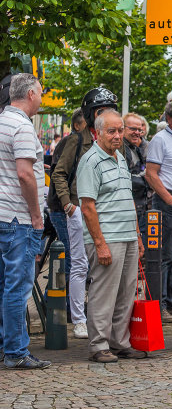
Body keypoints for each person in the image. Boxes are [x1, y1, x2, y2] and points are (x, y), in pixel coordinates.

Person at [76, 110, 146, 363]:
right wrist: (99, 243)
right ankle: (99, 344)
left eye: (120, 130)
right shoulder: (91, 160)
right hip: (107, 237)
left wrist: (137, 236)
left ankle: (120, 342)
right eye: (112, 131)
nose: (117, 136)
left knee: (125, 293)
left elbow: (128, 200)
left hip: (126, 234)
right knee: (104, 292)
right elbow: (87, 206)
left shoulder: (120, 157)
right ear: (98, 133)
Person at [52, 87, 117, 340]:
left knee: (106, 265)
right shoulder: (76, 140)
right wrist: (69, 205)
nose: (108, 115)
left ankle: (102, 319)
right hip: (80, 209)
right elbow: (58, 173)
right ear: (92, 114)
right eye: (103, 110)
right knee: (80, 265)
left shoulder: (113, 139)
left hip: (107, 210)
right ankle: (79, 320)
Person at [0, 74, 50, 369]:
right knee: (17, 287)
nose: (41, 99)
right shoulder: (22, 127)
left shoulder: (2, 121)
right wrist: (35, 214)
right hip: (18, 218)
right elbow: (23, 174)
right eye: (40, 93)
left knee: (4, 285)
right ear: (30, 94)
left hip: (2, 214)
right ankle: (16, 352)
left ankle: (7, 344)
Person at [145, 101, 172, 324]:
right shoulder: (160, 140)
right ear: (169, 118)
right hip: (168, 201)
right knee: (164, 255)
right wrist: (169, 200)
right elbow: (151, 174)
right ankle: (160, 303)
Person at [47, 108, 85, 286]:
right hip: (63, 209)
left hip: (67, 208)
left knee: (72, 256)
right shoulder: (70, 142)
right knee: (71, 256)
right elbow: (59, 175)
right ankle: (60, 306)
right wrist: (68, 205)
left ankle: (56, 303)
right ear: (77, 125)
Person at [122, 112, 149, 240]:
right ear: (123, 128)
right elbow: (125, 180)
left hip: (140, 208)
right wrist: (146, 177)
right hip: (128, 212)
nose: (137, 132)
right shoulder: (121, 149)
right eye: (133, 129)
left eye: (139, 129)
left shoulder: (134, 148)